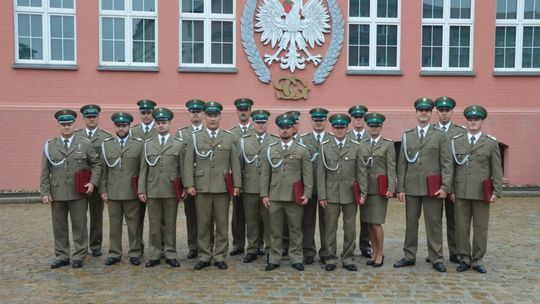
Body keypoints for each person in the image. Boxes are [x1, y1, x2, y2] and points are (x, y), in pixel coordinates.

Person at [394, 97, 453, 273]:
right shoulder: (407, 135)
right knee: (411, 223)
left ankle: (436, 257)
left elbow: (447, 163)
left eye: (427, 110)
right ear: (416, 112)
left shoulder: (440, 135)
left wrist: (445, 187)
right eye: (421, 110)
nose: (424, 113)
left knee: (434, 223)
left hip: (432, 188)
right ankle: (409, 255)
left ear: (430, 113)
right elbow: (402, 163)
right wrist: (401, 188)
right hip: (412, 187)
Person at [184, 101, 242, 270]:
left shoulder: (229, 137)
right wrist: (189, 184)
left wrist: (237, 184)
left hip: (222, 188)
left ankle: (219, 255)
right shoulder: (195, 137)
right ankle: (204, 255)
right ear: (205, 116)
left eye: (215, 115)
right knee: (203, 223)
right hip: (201, 187)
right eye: (209, 115)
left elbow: (235, 163)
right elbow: (188, 163)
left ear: (220, 117)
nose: (212, 118)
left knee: (222, 224)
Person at [40, 109, 101, 269]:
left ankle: (79, 255)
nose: (67, 127)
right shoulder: (50, 146)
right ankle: (62, 255)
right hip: (58, 192)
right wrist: (45, 192)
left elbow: (97, 164)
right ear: (59, 126)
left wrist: (92, 183)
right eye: (64, 124)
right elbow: (45, 171)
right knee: (59, 226)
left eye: (69, 124)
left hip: (77, 192)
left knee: (79, 225)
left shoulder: (84, 143)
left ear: (75, 125)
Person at [451, 105, 503, 274]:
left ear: (481, 121)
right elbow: (451, 167)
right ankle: (464, 258)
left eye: (476, 120)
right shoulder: (457, 141)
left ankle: (478, 258)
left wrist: (497, 191)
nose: (473, 122)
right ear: (466, 121)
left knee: (480, 227)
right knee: (461, 226)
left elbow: (496, 169)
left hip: (482, 192)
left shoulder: (490, 143)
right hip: (461, 190)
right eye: (470, 119)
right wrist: (451, 189)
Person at [261, 113, 313, 271]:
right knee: (275, 229)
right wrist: (264, 194)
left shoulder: (302, 150)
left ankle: (296, 257)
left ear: (293, 128)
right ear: (278, 129)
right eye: (282, 128)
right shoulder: (270, 149)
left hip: (293, 196)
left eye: (288, 127)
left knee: (295, 229)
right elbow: (265, 174)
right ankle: (275, 257)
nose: (284, 130)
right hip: (275, 195)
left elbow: (308, 174)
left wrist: (307, 193)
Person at [318, 113, 366, 271]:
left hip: (350, 194)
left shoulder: (356, 146)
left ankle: (348, 258)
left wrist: (363, 193)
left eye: (342, 127)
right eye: (336, 127)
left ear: (347, 128)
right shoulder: (325, 146)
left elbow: (361, 172)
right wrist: (322, 195)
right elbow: (321, 174)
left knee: (350, 228)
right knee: (330, 228)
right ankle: (330, 258)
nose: (339, 130)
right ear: (332, 128)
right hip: (331, 195)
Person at [138, 107, 185, 268]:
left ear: (169, 124)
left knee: (170, 223)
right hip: (153, 189)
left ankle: (171, 253)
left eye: (164, 122)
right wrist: (141, 189)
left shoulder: (178, 144)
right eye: (158, 123)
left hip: (171, 189)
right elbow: (143, 168)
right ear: (155, 124)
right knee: (154, 224)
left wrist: (185, 187)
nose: (161, 125)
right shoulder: (148, 144)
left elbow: (182, 169)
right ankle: (155, 254)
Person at [100, 112, 143, 266]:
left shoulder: (138, 145)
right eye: (119, 126)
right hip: (113, 192)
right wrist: (103, 190)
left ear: (129, 126)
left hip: (131, 192)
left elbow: (142, 169)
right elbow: (103, 170)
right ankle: (114, 253)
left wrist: (141, 189)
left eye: (124, 126)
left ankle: (134, 252)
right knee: (114, 225)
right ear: (115, 127)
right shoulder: (106, 145)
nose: (121, 128)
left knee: (134, 225)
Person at [239, 110, 279, 263]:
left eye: (263, 122)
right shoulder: (244, 141)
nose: (260, 125)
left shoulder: (274, 140)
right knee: (252, 220)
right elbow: (240, 164)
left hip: (269, 188)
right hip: (250, 187)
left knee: (270, 221)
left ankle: (270, 249)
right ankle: (252, 249)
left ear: (267, 123)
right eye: (257, 122)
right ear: (253, 123)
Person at [432, 96, 467, 264]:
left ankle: (455, 251)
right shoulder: (430, 130)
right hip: (433, 182)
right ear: (436, 112)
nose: (444, 114)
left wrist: (452, 187)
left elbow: (461, 162)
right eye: (441, 111)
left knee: (454, 220)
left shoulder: (460, 132)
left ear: (452, 112)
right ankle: (435, 252)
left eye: (447, 111)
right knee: (434, 220)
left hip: (453, 183)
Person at [359, 112, 396, 267]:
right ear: (367, 127)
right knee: (368, 223)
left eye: (377, 126)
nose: (374, 128)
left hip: (379, 189)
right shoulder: (362, 144)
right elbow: (360, 168)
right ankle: (373, 252)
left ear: (381, 127)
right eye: (371, 126)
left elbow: (391, 167)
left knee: (376, 223)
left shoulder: (387, 144)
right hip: (365, 189)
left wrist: (391, 188)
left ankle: (380, 253)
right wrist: (360, 190)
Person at [75, 104, 111, 258]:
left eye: (94, 117)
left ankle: (95, 245)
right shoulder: (76, 136)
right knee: (79, 216)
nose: (91, 119)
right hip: (78, 183)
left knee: (96, 216)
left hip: (97, 182)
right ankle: (81, 245)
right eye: (88, 117)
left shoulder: (106, 137)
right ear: (83, 118)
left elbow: (106, 164)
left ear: (98, 118)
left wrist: (102, 185)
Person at [176, 98, 206, 260]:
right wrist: (183, 183)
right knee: (191, 215)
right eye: (192, 112)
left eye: (198, 112)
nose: (195, 115)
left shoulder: (208, 131)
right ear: (189, 114)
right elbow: (180, 161)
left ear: (203, 114)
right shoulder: (182, 134)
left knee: (207, 215)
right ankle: (193, 246)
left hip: (205, 180)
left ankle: (207, 246)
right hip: (188, 181)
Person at [301, 107, 331, 265]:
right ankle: (308, 251)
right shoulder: (303, 140)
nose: (318, 123)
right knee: (308, 221)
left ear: (325, 121)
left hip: (327, 188)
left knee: (327, 221)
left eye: (321, 120)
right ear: (311, 121)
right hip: (310, 187)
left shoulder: (332, 139)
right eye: (315, 120)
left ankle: (326, 251)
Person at [131, 99, 158, 256]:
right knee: (136, 217)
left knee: (158, 218)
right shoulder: (133, 132)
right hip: (136, 179)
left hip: (155, 179)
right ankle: (137, 246)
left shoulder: (161, 129)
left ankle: (159, 247)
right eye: (143, 113)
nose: (146, 116)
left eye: (149, 113)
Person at [227, 98, 254, 257]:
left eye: (246, 109)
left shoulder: (257, 129)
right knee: (237, 215)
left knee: (255, 215)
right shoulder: (231, 134)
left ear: (250, 111)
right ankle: (238, 244)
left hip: (253, 178)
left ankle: (256, 244)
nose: (243, 112)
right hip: (237, 179)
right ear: (237, 112)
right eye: (241, 110)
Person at [347, 105, 372, 259]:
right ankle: (349, 246)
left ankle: (365, 245)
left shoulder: (371, 137)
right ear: (351, 119)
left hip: (367, 181)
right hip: (349, 183)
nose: (358, 120)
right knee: (349, 218)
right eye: (355, 117)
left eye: (361, 117)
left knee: (366, 217)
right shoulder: (345, 136)